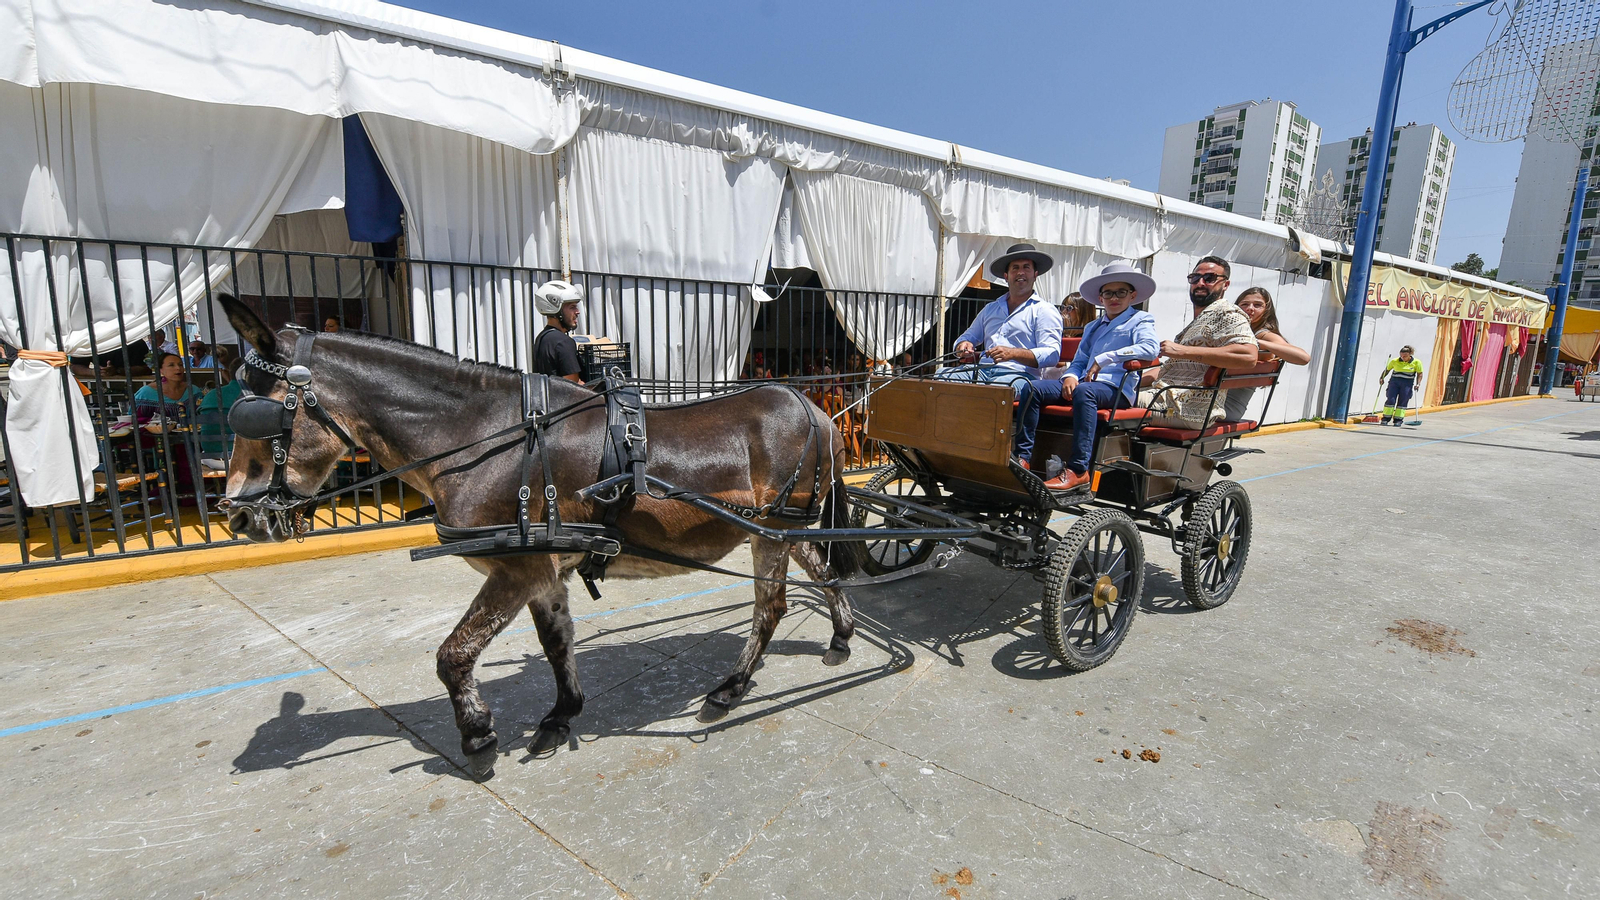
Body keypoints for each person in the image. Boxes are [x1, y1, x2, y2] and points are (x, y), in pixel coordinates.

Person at [1026, 263, 1160, 491]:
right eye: (1108, 292)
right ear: (1100, 297)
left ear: (1133, 295)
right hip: (1085, 386)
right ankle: (1023, 457)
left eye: (1121, 292)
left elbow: (1150, 349)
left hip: (1116, 389)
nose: (1114, 298)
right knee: (1033, 388)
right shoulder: (1092, 327)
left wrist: (1107, 357)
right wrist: (1070, 376)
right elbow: (1079, 361)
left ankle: (1078, 470)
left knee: (1084, 391)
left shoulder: (1140, 320)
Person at [942, 242, 1064, 466]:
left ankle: (982, 450)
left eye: (1026, 267)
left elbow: (1051, 354)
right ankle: (943, 441)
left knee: (993, 392)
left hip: (1019, 377)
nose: (1020, 272)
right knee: (941, 377)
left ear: (1035, 274)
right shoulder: (991, 309)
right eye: (1015, 268)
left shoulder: (1044, 311)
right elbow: (966, 336)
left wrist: (1013, 353)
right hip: (981, 371)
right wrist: (964, 345)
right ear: (1006, 275)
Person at [1142, 256, 1259, 429]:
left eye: (1210, 278)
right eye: (1195, 278)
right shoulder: (1203, 319)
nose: (1200, 283)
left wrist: (1182, 351)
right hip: (1171, 399)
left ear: (1225, 285)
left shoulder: (1227, 314)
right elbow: (1172, 369)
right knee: (1105, 393)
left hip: (1186, 408)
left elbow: (1248, 356)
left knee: (1095, 400)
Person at [1224, 286, 1311, 421]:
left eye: (1257, 305)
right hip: (1220, 405)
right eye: (1244, 304)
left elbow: (1303, 358)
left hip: (1224, 408)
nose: (1250, 308)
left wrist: (1258, 342)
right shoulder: (1235, 331)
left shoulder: (1263, 334)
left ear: (1267, 310)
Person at [533, 280, 585, 383]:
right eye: (572, 307)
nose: (577, 311)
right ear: (556, 310)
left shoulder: (542, 337)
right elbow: (574, 387)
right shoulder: (563, 342)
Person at [133, 351, 202, 425]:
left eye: (180, 365)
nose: (178, 368)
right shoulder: (146, 393)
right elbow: (134, 419)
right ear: (160, 370)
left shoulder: (194, 391)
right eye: (171, 365)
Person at [1379, 345, 1423, 426]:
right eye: (1401, 356)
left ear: (1410, 354)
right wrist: (1382, 378)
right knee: (1390, 400)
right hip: (1394, 383)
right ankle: (1386, 418)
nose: (1403, 358)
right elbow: (1387, 370)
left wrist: (1418, 384)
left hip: (1407, 384)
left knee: (1403, 401)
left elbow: (1419, 374)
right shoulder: (1394, 361)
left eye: (1405, 356)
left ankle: (1398, 420)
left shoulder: (1417, 362)